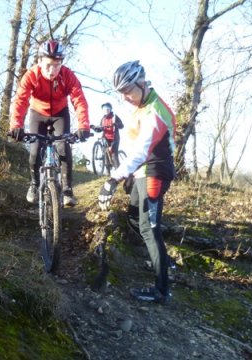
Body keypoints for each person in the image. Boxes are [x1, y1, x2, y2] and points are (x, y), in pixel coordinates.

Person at [97, 60, 176, 304]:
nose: (126, 98)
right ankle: (158, 259)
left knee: (150, 229)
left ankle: (162, 290)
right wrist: (129, 174)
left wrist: (112, 180)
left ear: (142, 83)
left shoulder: (154, 112)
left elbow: (141, 151)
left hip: (154, 173)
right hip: (141, 172)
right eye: (121, 94)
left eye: (129, 91)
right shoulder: (143, 105)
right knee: (134, 218)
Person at [9, 39, 91, 206]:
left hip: (60, 114)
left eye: (57, 64)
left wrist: (84, 125)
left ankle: (67, 190)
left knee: (63, 146)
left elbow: (79, 99)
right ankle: (34, 184)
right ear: (39, 61)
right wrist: (16, 125)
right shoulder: (31, 75)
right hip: (37, 113)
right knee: (35, 149)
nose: (52, 70)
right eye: (48, 65)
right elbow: (21, 100)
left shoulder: (67, 75)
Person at [92, 102, 124, 174]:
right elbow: (100, 129)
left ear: (110, 109)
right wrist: (94, 127)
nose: (106, 110)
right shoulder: (103, 119)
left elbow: (122, 125)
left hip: (114, 138)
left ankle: (119, 173)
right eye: (104, 109)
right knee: (106, 153)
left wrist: (116, 124)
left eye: (107, 108)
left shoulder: (114, 117)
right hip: (106, 138)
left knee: (113, 154)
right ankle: (108, 172)